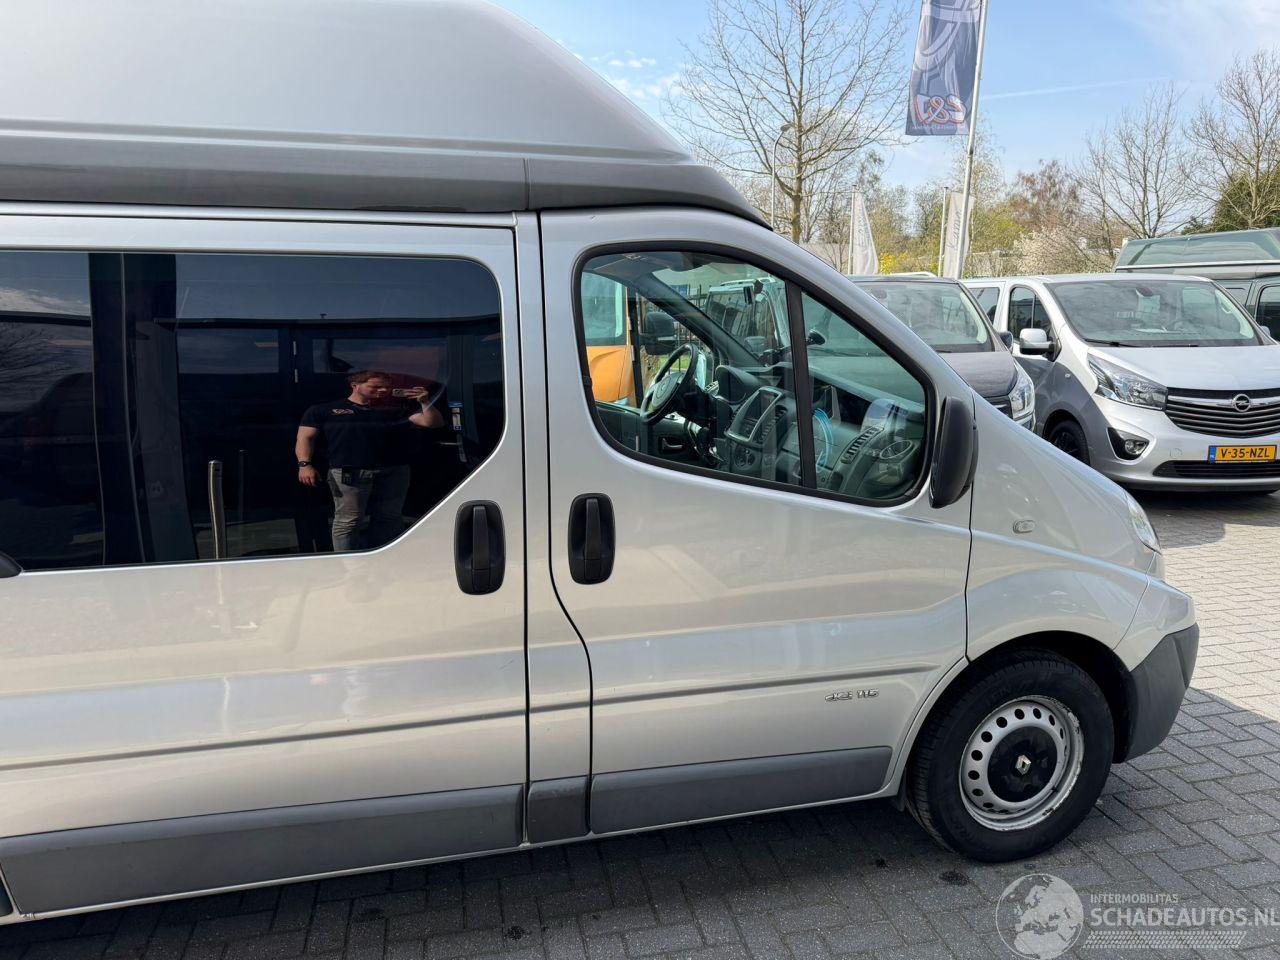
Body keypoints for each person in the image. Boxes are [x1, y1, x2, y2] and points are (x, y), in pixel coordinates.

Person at [295, 370, 442, 552]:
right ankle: (345, 559)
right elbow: (305, 438)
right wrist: (304, 464)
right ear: (355, 385)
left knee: (389, 516)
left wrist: (425, 402)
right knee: (349, 520)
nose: (382, 390)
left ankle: (384, 555)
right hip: (349, 471)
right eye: (375, 386)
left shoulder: (396, 410)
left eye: (386, 387)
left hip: (393, 470)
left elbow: (432, 423)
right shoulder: (325, 410)